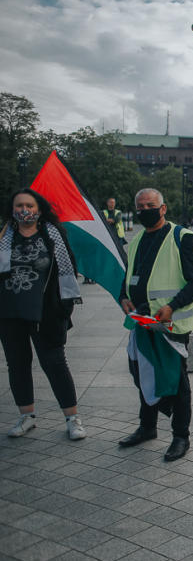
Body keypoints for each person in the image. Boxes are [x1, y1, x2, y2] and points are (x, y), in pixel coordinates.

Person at [119, 188, 193, 461]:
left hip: (171, 325)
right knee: (143, 373)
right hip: (142, 322)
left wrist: (172, 306)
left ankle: (181, 436)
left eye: (151, 205)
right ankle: (147, 427)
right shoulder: (136, 241)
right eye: (141, 206)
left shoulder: (182, 238)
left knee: (175, 380)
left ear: (163, 208)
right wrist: (124, 297)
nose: (146, 210)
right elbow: (130, 274)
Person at [0, 188, 86, 440]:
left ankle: (72, 418)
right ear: (12, 209)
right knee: (17, 365)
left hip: (45, 312)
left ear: (39, 209)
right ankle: (26, 416)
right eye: (19, 206)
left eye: (29, 205)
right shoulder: (5, 234)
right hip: (9, 311)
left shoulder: (54, 235)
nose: (24, 210)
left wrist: (64, 308)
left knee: (55, 363)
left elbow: (69, 268)